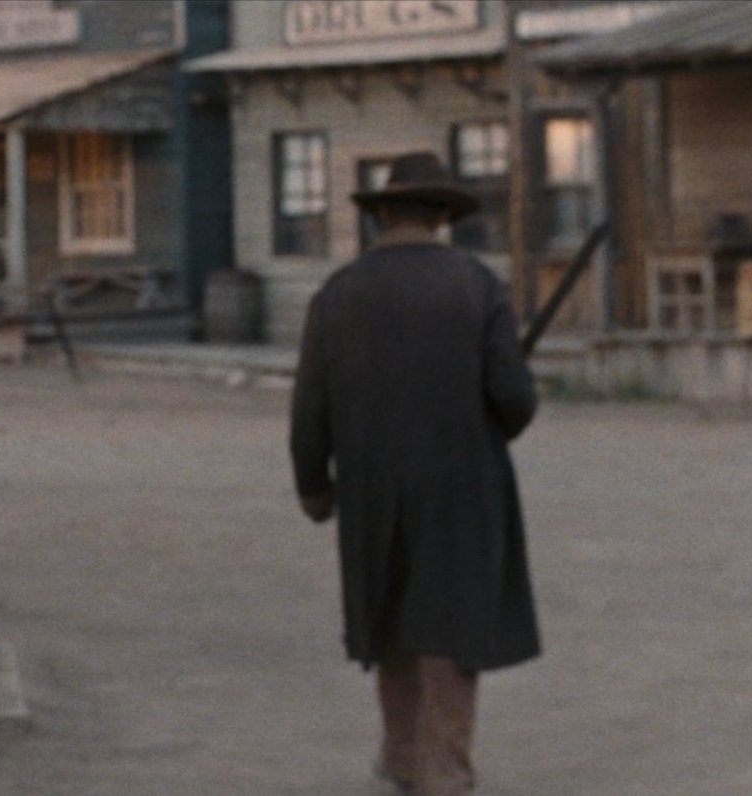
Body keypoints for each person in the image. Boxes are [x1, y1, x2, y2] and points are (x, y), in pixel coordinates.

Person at [289, 151, 541, 796]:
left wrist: (315, 487)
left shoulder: (338, 293)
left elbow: (310, 406)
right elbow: (514, 399)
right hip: (461, 483)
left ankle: (402, 758)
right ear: (440, 215)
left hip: (371, 486)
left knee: (390, 615)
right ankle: (447, 770)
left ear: (383, 215)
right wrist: (491, 424)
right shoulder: (478, 286)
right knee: (451, 623)